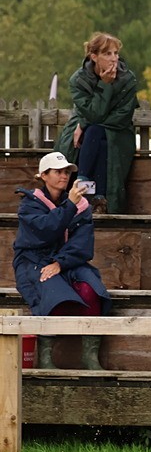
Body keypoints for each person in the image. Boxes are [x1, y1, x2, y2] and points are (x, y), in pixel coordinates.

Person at [13, 152, 114, 370]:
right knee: (55, 295)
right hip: (33, 261)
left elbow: (83, 244)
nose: (64, 176)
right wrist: (69, 205)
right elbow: (46, 231)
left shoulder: (81, 205)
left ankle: (90, 358)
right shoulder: (29, 205)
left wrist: (61, 262)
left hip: (68, 262)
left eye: (67, 172)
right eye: (58, 172)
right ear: (43, 175)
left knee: (91, 290)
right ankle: (47, 358)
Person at [54, 32, 139, 215]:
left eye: (116, 53)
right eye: (107, 54)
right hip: (92, 133)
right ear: (94, 57)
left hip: (119, 132)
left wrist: (85, 123)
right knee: (97, 136)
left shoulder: (127, 79)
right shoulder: (79, 80)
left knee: (96, 131)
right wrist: (104, 85)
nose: (114, 58)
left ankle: (83, 186)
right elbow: (92, 113)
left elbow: (122, 116)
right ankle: (98, 197)